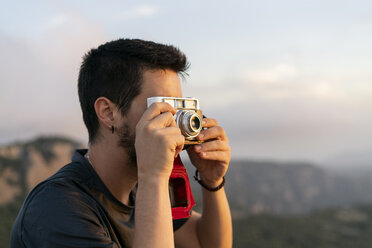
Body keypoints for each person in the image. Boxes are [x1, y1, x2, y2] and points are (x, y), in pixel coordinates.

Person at [10, 39, 232, 248]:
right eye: (162, 108)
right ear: (108, 113)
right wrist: (153, 178)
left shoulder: (138, 191)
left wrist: (212, 182)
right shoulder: (55, 207)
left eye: (178, 108)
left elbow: (205, 243)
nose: (174, 122)